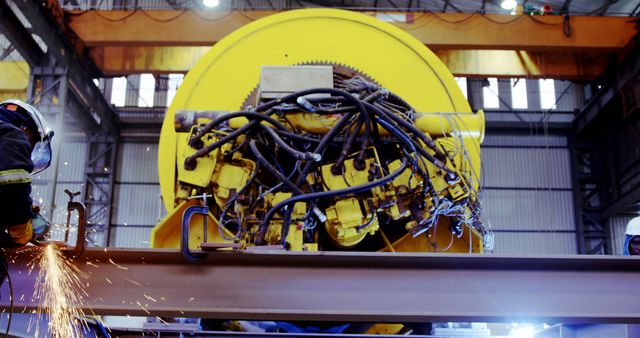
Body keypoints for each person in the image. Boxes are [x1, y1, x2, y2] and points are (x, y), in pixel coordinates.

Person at [0, 99, 54, 250]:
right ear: (25, 128)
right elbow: (13, 184)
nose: (29, 150)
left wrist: (23, 207)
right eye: (33, 142)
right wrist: (21, 223)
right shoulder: (12, 133)